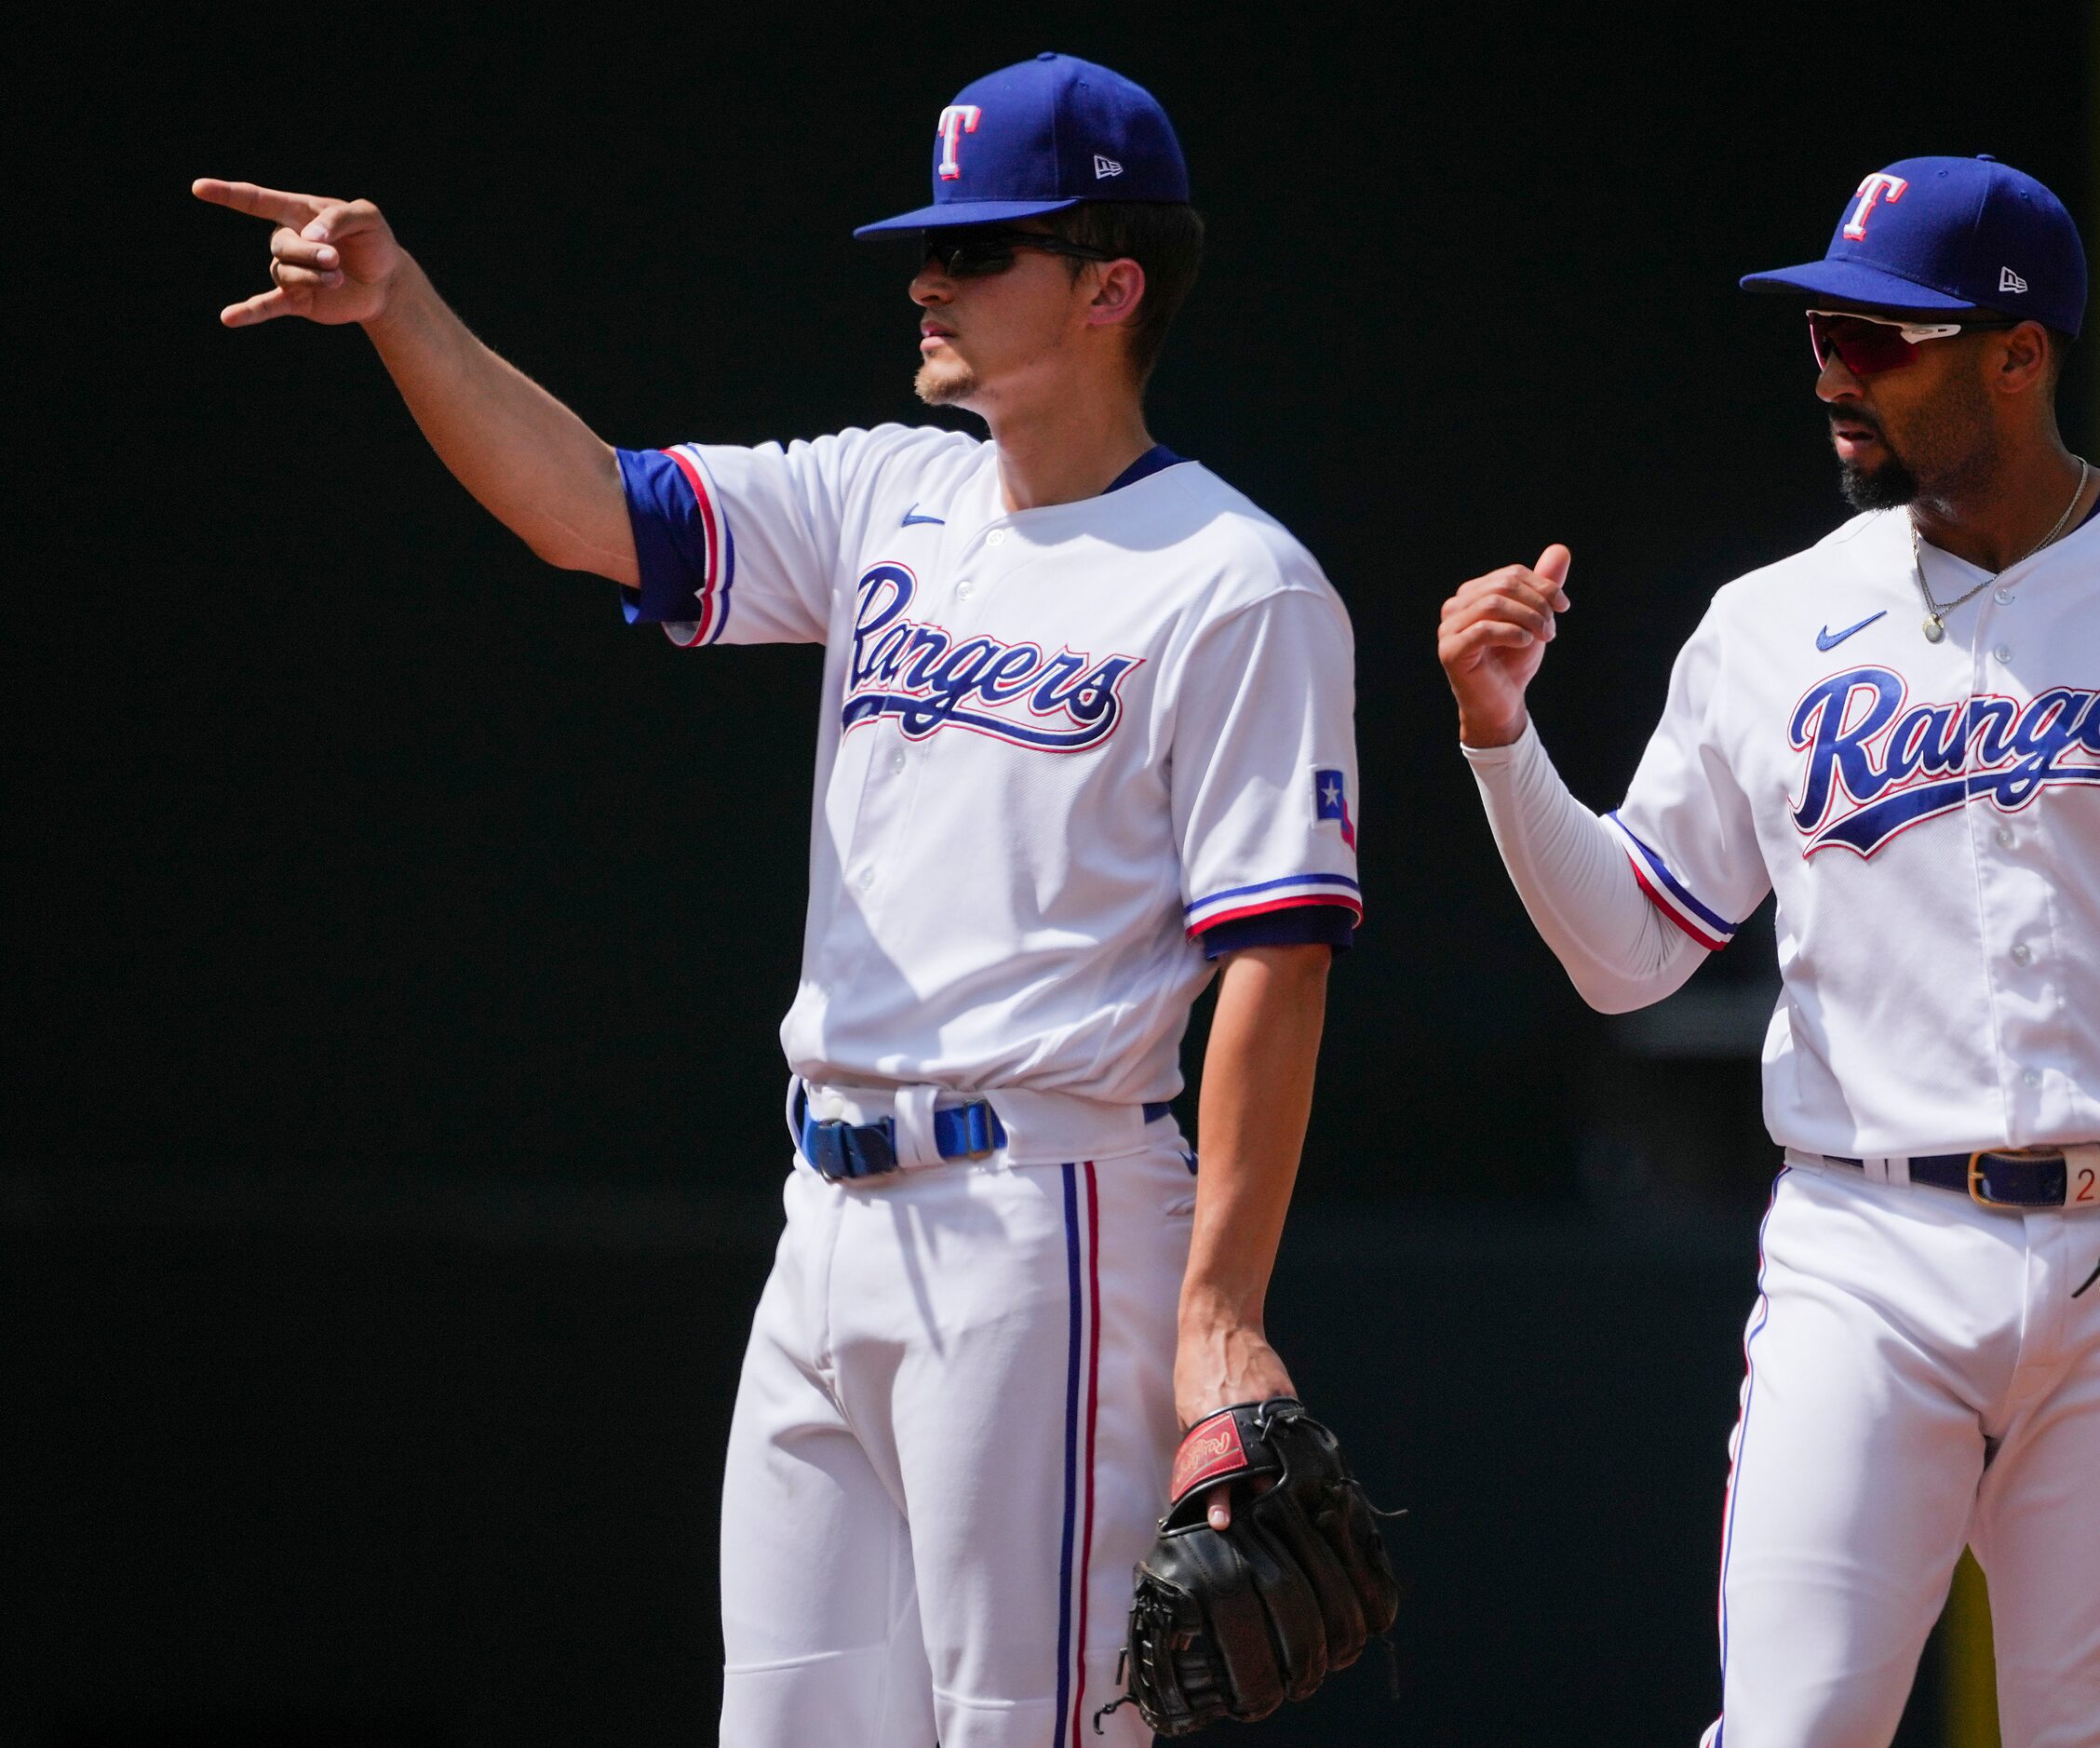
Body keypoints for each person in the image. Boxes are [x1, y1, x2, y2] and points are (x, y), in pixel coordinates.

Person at [196, 51, 1362, 1748]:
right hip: (826, 1222)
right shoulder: (891, 492)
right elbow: (597, 510)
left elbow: (1278, 959)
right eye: (933, 244)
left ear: (1112, 285)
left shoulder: (1236, 581)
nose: (929, 275)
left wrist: (1220, 1315)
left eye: (980, 249)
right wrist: (402, 311)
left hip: (1047, 1208)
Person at [1436, 155, 2100, 1747]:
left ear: (2019, 356)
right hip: (1864, 1245)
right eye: (1823, 327)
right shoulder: (1768, 620)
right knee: (1789, 1730)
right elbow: (1630, 952)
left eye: (1882, 336)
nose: (1834, 365)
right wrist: (1503, 744)